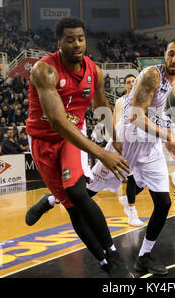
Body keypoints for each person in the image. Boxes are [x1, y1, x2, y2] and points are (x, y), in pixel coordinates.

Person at [24, 17, 132, 278]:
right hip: (44, 139)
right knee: (72, 204)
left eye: (81, 38)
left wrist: (115, 139)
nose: (77, 44)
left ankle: (113, 255)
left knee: (77, 192)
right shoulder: (44, 70)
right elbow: (59, 123)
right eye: (70, 39)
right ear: (59, 42)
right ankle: (103, 260)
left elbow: (101, 106)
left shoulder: (94, 70)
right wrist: (101, 152)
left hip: (74, 136)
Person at [87, 39, 175, 276]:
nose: (174, 60)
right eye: (171, 54)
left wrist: (167, 140)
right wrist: (169, 137)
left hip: (151, 147)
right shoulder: (152, 76)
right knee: (87, 191)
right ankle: (52, 201)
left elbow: (164, 116)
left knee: (163, 203)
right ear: (164, 54)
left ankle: (143, 257)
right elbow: (135, 116)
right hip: (127, 142)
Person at [112, 74, 144, 227]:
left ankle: (126, 200)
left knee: (144, 180)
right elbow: (115, 123)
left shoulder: (144, 101)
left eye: (134, 82)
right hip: (126, 144)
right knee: (131, 178)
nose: (131, 84)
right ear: (124, 86)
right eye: (128, 82)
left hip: (141, 144)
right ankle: (132, 212)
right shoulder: (120, 102)